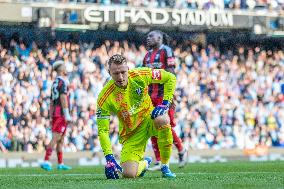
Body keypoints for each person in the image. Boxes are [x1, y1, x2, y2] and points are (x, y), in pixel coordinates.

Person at [97, 54, 176, 179]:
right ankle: (144, 163)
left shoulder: (140, 74)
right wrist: (109, 157)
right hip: (131, 133)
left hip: (149, 118)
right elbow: (103, 130)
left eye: (123, 72)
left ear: (128, 69)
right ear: (109, 72)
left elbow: (170, 77)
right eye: (116, 73)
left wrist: (165, 103)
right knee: (128, 174)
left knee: (163, 119)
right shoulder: (104, 97)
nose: (121, 77)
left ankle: (165, 166)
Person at [143, 30, 187, 169]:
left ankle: (181, 149)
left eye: (151, 36)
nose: (148, 38)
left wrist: (171, 94)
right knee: (152, 126)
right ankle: (159, 160)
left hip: (164, 95)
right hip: (150, 95)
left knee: (165, 125)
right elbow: (144, 76)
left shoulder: (166, 51)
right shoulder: (147, 55)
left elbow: (171, 73)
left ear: (160, 37)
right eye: (147, 37)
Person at [40, 60, 72, 171]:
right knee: (56, 137)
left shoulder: (54, 82)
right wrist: (67, 114)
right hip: (61, 113)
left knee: (61, 139)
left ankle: (60, 163)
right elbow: (63, 98)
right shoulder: (62, 82)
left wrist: (50, 115)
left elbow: (51, 101)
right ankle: (46, 160)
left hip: (55, 113)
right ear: (61, 69)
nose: (66, 67)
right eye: (64, 66)